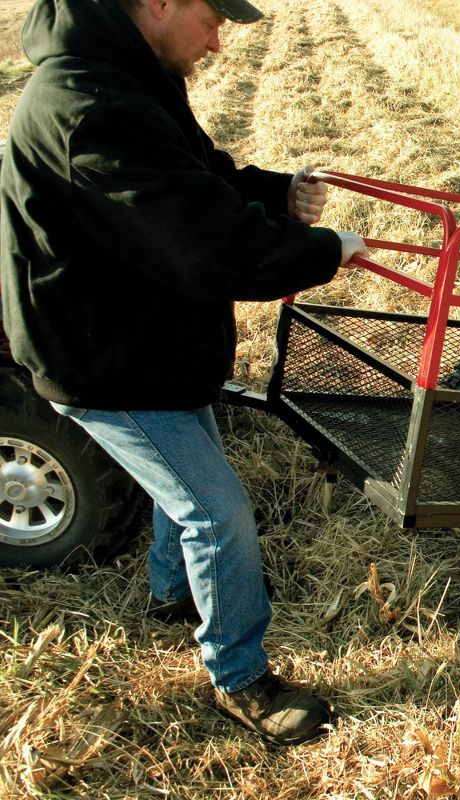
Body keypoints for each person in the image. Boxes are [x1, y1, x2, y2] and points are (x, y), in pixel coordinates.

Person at [0, 0, 368, 746]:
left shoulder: (126, 78)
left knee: (187, 479)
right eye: (212, 16)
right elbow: (204, 243)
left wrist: (271, 192)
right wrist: (324, 251)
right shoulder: (87, 107)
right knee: (214, 510)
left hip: (147, 341)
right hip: (102, 358)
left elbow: (193, 177)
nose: (218, 39)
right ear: (158, 1)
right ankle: (241, 680)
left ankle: (173, 595)